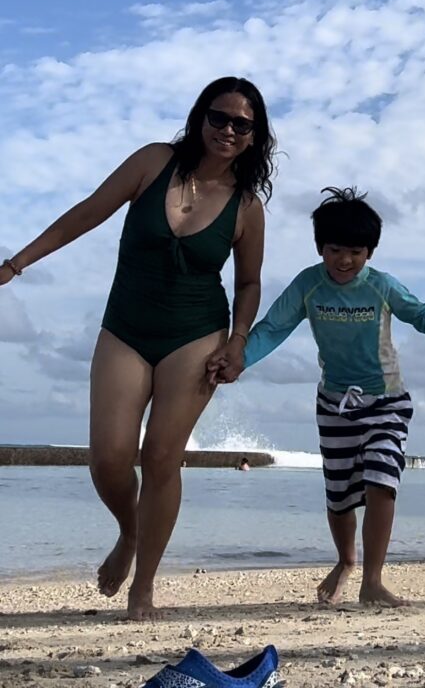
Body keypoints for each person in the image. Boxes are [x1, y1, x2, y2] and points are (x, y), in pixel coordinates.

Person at [0, 76, 275, 620]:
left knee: (161, 458)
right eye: (218, 117)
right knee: (108, 459)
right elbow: (88, 212)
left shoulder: (246, 206)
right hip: (125, 327)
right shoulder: (154, 161)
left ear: (253, 137)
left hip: (196, 333)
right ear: (201, 118)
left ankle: (143, 586)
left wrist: (239, 341)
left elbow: (248, 283)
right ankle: (130, 531)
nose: (227, 129)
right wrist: (16, 264)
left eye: (241, 124)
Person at [210, 186, 425, 607]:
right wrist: (241, 358)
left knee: (381, 482)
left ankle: (373, 579)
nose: (345, 260)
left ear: (370, 251)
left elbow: (420, 313)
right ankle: (346, 561)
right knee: (338, 497)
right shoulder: (309, 286)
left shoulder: (382, 287)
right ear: (320, 247)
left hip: (387, 400)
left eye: (356, 251)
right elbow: (274, 327)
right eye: (335, 250)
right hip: (334, 403)